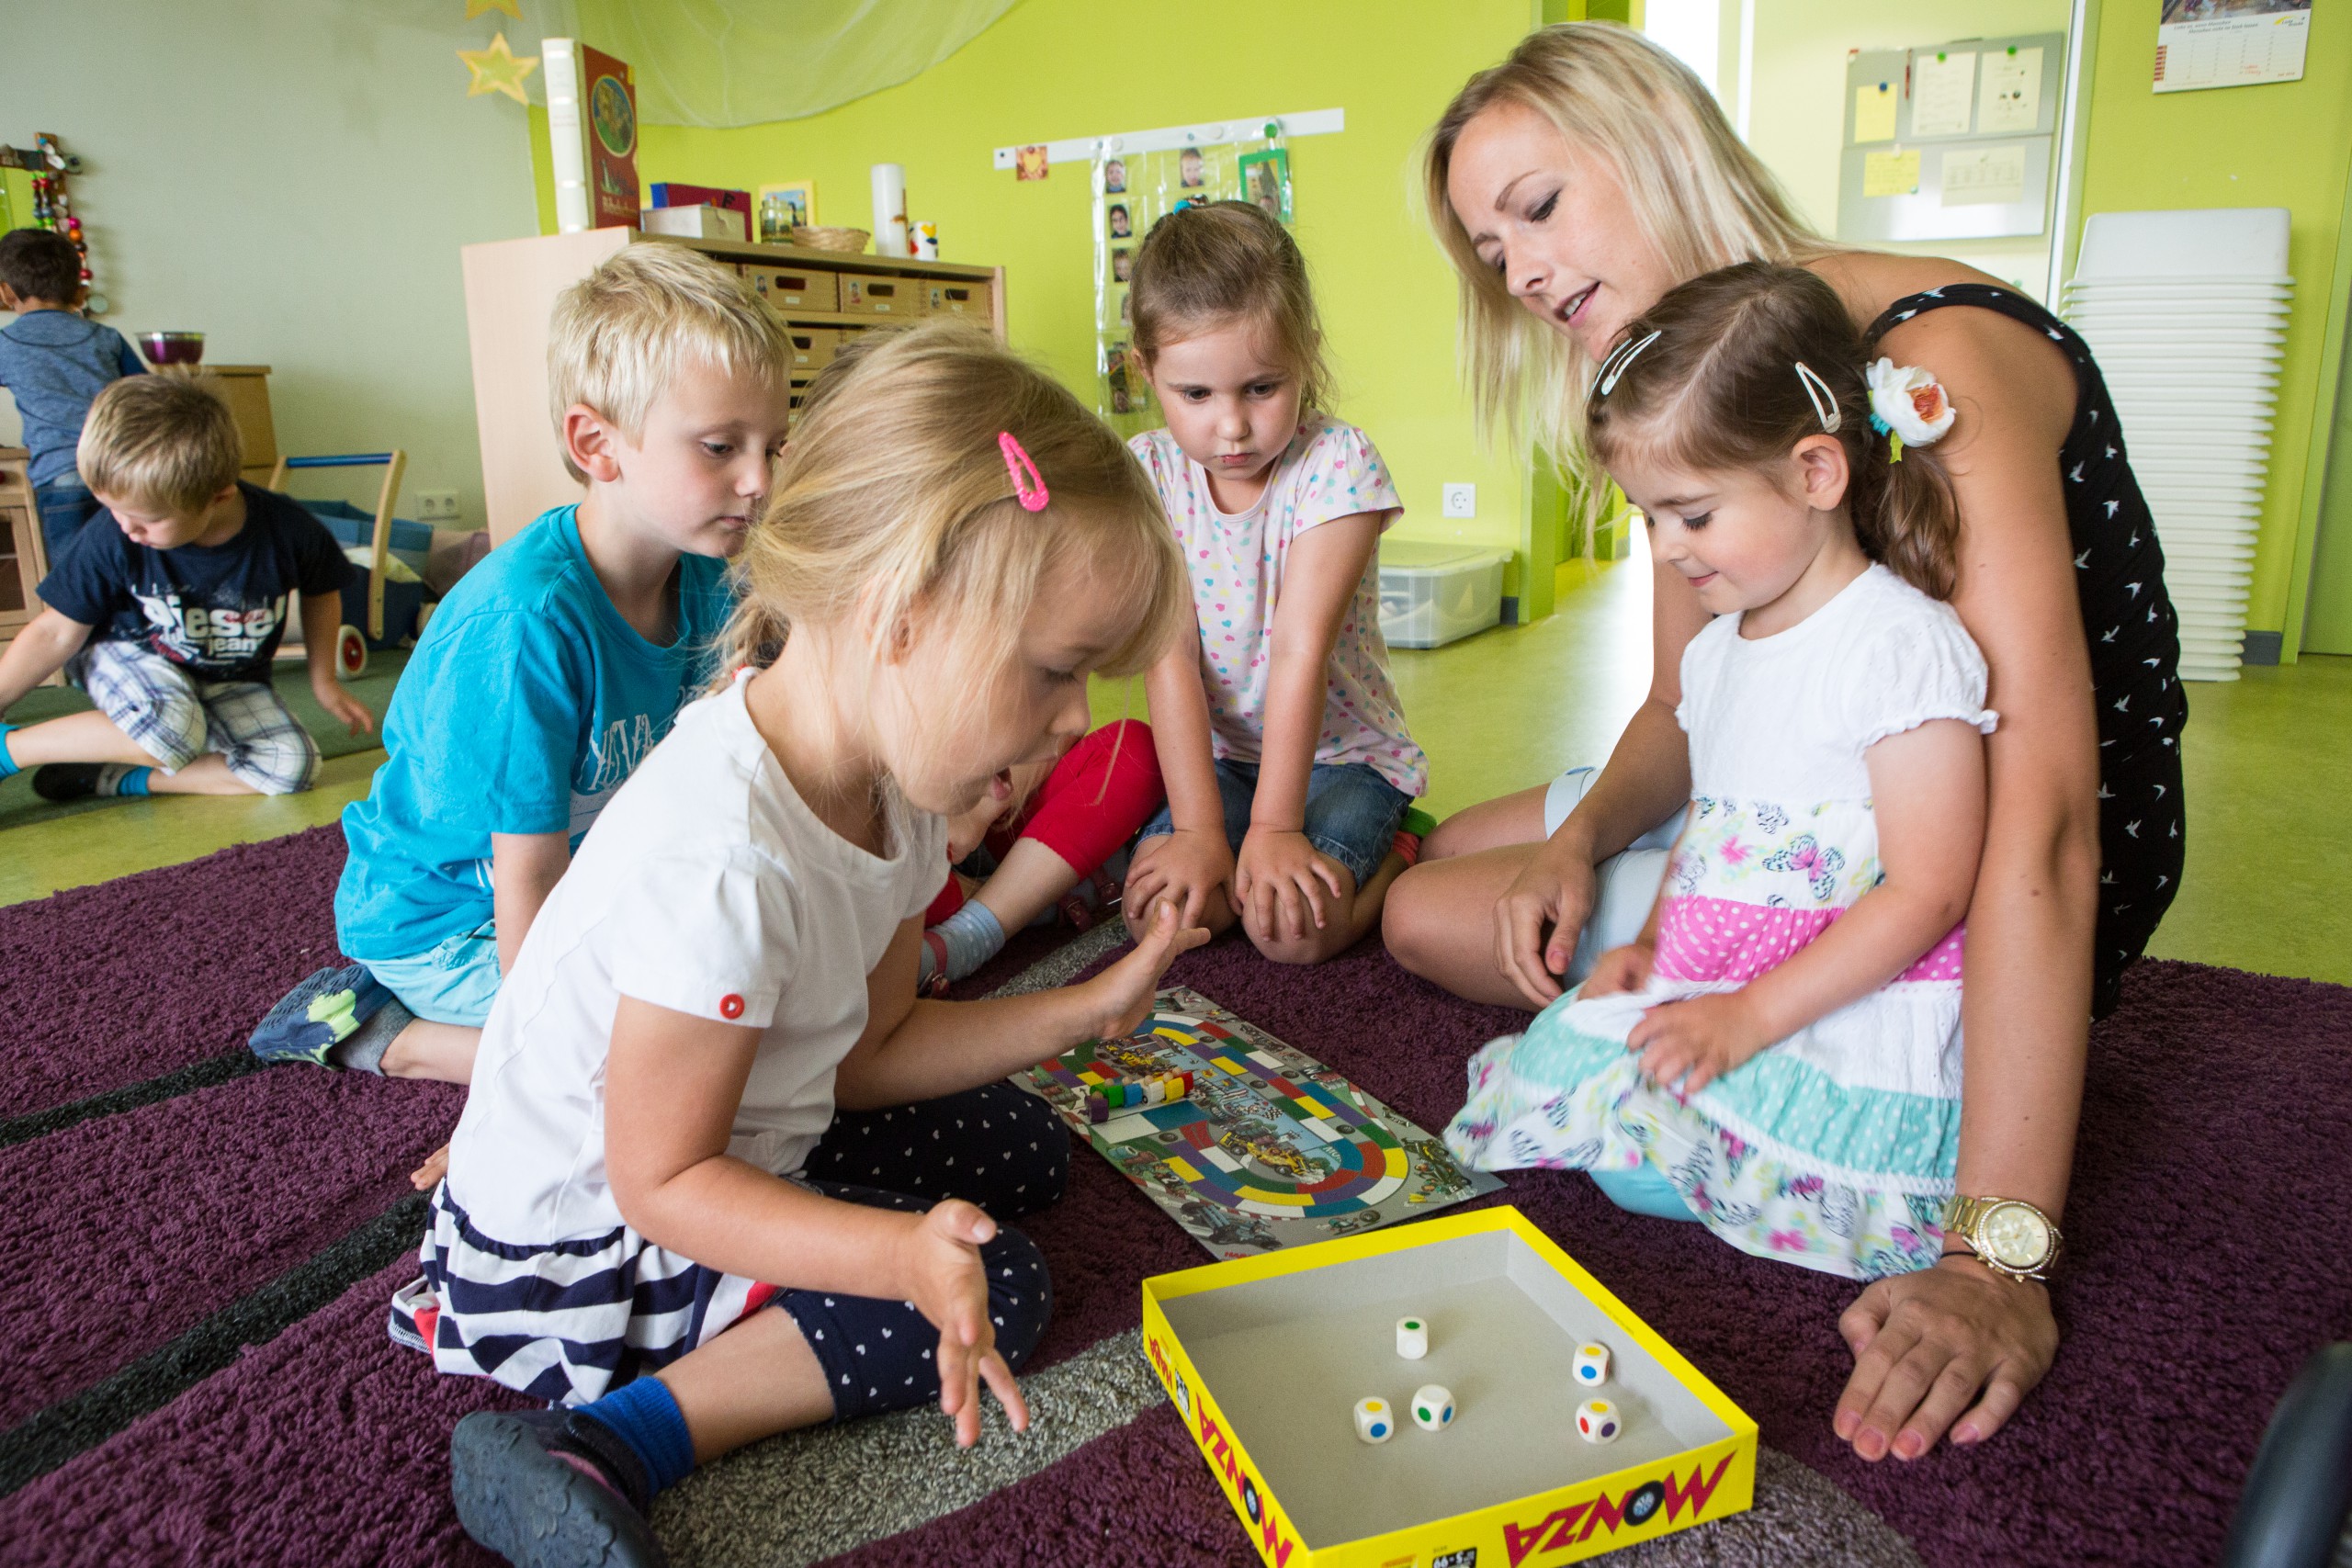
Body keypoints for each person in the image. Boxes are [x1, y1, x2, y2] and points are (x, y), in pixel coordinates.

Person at [1390, 23, 2184, 1461]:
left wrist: (1998, 1257)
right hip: (1795, 783)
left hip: (1954, 822)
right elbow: (1687, 711)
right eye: (1487, 250)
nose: (1519, 273)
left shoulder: (1927, 361)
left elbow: (2046, 820)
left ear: (1652, 149)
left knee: (1438, 920)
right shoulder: (1694, 382)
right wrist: (1574, 841)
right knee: (1453, 869)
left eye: (1538, 208)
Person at [410, 322, 1202, 1568]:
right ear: (898, 611)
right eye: (1055, 672)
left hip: (721, 1125)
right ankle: (603, 1442)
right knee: (1001, 1283)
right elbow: (658, 1181)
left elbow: (870, 1045)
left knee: (1021, 1149)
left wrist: (1080, 1008)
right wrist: (893, 1250)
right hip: (588, 1239)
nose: (1073, 720)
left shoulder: (894, 782)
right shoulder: (723, 855)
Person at [1447, 261, 1992, 1285]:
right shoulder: (1716, 650)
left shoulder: (1897, 646)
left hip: (1839, 999)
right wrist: (1651, 948)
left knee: (1640, 1153)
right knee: (1564, 1078)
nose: (1663, 548)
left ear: (1816, 475)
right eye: (1646, 516)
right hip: (1719, 966)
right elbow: (1713, 820)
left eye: (1691, 516)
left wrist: (1749, 1019)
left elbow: (1931, 889)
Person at [246, 246, 792, 1110]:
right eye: (722, 447)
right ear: (595, 443)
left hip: (589, 877)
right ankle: (387, 1036)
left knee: (766, 992)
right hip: (452, 918)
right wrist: (546, 1063)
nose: (759, 480)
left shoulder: (710, 572)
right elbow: (523, 884)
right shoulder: (523, 627)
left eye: (774, 446)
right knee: (678, 1063)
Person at [1121, 201, 1427, 964]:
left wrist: (1275, 828)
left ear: (1307, 353)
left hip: (1344, 755)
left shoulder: (1336, 465)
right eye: (1196, 395)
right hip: (1223, 759)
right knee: (1167, 918)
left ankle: (1404, 858)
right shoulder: (1148, 474)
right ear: (1145, 370)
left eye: (1261, 388)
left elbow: (1299, 649)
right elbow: (1169, 656)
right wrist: (1197, 830)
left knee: (1291, 933)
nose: (1231, 426)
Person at [0, 375, 368, 801]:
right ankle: (11, 750)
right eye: (112, 510)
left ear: (218, 496)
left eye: (146, 518)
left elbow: (322, 596)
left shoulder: (290, 531)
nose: (127, 527)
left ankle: (112, 776)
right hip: (129, 655)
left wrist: (323, 681)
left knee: (290, 766)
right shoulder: (114, 536)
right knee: (171, 726)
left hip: (225, 676)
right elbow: (55, 631)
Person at [918, 718, 1166, 991]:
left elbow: (1063, 729)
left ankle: (965, 937)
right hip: (915, 855)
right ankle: (1016, 901)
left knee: (1135, 747)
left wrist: (976, 812)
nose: (1083, 713)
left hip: (1004, 817)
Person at [0, 227, 144, 559]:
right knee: (132, 569)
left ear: (7, 294)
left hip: (61, 474)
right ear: (80, 293)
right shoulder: (104, 337)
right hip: (120, 471)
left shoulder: (7, 344)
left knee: (77, 582)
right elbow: (147, 396)